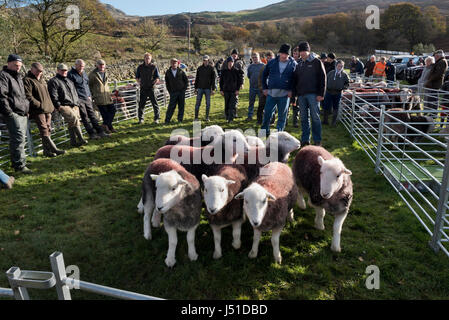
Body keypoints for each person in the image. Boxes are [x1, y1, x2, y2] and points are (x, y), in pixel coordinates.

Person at [24, 62, 65, 157]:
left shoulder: (42, 80)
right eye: (37, 71)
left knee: (48, 129)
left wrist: (50, 107)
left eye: (41, 71)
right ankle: (54, 148)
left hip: (47, 109)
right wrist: (40, 105)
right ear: (32, 69)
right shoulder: (27, 80)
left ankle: (46, 151)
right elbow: (28, 96)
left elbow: (47, 95)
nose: (39, 73)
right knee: (43, 129)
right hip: (37, 110)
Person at [0, 54, 31, 173]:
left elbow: (22, 96)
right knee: (17, 138)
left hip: (22, 112)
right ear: (8, 64)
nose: (18, 67)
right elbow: (2, 95)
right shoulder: (3, 76)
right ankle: (19, 166)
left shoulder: (18, 77)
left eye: (19, 65)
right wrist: (8, 112)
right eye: (15, 65)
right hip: (12, 112)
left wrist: (26, 108)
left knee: (21, 138)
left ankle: (20, 162)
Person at [293, 41, 326, 146]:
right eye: (300, 51)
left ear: (308, 51)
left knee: (315, 117)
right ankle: (305, 139)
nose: (302, 53)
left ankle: (317, 140)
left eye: (304, 51)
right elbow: (295, 80)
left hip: (314, 95)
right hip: (301, 95)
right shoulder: (299, 64)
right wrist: (295, 95)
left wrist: (321, 94)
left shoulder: (316, 62)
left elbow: (323, 78)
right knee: (303, 118)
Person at [261, 43, 297, 135]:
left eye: (286, 54)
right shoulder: (271, 62)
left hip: (285, 95)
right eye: (282, 54)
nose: (284, 56)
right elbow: (264, 75)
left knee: (282, 116)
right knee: (267, 113)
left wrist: (291, 91)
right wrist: (264, 88)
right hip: (271, 93)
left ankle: (279, 133)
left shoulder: (293, 64)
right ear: (279, 53)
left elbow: (296, 79)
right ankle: (264, 131)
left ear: (289, 55)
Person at [48, 63, 87, 147]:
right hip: (63, 105)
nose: (64, 72)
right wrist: (58, 105)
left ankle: (73, 142)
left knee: (71, 122)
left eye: (65, 70)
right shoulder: (54, 81)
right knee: (74, 119)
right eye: (62, 70)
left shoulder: (69, 81)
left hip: (74, 104)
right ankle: (81, 139)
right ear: (58, 70)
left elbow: (74, 92)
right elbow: (53, 95)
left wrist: (76, 103)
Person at [68, 59, 108, 140]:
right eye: (80, 66)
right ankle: (91, 134)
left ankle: (100, 132)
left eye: (83, 66)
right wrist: (76, 99)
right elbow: (70, 88)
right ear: (75, 65)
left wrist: (89, 95)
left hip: (87, 97)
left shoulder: (84, 73)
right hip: (79, 98)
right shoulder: (71, 74)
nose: (81, 67)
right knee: (84, 117)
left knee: (92, 115)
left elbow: (87, 85)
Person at [89, 59, 117, 133]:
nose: (102, 66)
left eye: (103, 64)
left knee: (113, 110)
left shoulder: (106, 73)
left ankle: (105, 125)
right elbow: (89, 85)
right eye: (100, 64)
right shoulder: (92, 74)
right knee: (104, 114)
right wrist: (92, 95)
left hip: (107, 96)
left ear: (105, 65)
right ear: (97, 65)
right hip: (99, 97)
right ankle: (109, 128)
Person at [135, 52, 161, 124]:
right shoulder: (140, 67)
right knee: (141, 104)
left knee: (154, 104)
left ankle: (156, 119)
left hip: (151, 88)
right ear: (144, 59)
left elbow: (158, 77)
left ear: (151, 59)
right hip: (143, 88)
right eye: (146, 58)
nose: (147, 60)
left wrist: (156, 81)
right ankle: (141, 119)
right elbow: (137, 77)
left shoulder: (154, 67)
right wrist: (139, 82)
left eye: (148, 58)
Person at [323, 60, 349, 126]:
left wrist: (343, 87)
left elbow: (347, 83)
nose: (339, 68)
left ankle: (333, 122)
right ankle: (325, 121)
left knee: (336, 107)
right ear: (336, 66)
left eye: (341, 66)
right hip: (328, 92)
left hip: (337, 93)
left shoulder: (344, 75)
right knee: (326, 106)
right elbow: (325, 80)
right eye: (338, 66)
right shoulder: (331, 73)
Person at [220, 56, 244, 123]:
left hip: (234, 91)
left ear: (233, 63)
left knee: (232, 105)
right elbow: (221, 81)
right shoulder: (224, 71)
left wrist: (237, 90)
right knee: (226, 105)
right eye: (229, 62)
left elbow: (239, 81)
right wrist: (221, 90)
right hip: (226, 90)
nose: (230, 64)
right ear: (227, 63)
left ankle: (231, 119)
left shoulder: (236, 71)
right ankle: (227, 117)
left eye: (232, 62)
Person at [164, 58, 188, 124]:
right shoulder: (168, 72)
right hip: (173, 92)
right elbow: (167, 83)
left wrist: (184, 90)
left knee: (181, 106)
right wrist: (170, 91)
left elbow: (186, 81)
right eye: (173, 63)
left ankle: (180, 119)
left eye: (175, 63)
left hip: (181, 92)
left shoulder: (181, 71)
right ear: (171, 63)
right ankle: (167, 120)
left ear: (177, 64)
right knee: (171, 107)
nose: (174, 64)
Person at [425, 50, 448, 115]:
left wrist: (430, 80)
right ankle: (432, 112)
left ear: (438, 56)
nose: (434, 57)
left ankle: (434, 113)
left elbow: (438, 74)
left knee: (434, 99)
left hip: (436, 83)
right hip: (434, 83)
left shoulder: (442, 62)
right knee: (431, 98)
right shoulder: (440, 61)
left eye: (435, 56)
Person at [194, 55, 216, 122]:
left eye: (206, 60)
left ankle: (207, 117)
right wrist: (195, 88)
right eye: (204, 60)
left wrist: (213, 89)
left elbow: (213, 79)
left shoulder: (211, 69)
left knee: (208, 104)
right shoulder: (199, 68)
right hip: (200, 88)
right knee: (197, 103)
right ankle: (196, 117)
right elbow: (197, 78)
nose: (205, 61)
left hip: (208, 88)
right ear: (202, 61)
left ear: (208, 60)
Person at [256, 51, 275, 125]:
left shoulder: (276, 68)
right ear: (266, 59)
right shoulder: (263, 68)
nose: (269, 59)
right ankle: (259, 120)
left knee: (272, 107)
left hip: (273, 91)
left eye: (271, 58)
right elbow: (259, 80)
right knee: (261, 106)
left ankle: (272, 121)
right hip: (264, 91)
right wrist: (262, 89)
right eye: (268, 58)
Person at [246, 52, 265, 122]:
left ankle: (261, 116)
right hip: (252, 88)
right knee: (251, 102)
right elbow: (249, 76)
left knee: (261, 103)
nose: (255, 59)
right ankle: (250, 116)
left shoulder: (263, 66)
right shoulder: (250, 67)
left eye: (256, 57)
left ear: (259, 57)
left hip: (261, 88)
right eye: (253, 58)